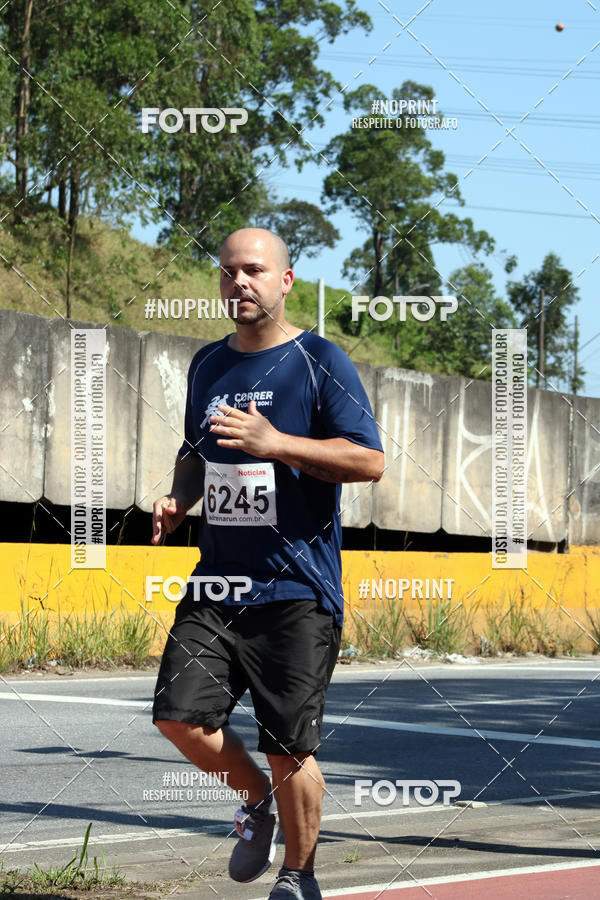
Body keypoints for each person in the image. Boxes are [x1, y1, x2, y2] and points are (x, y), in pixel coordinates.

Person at [151, 227, 384, 900]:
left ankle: (299, 877)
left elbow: (368, 460)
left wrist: (276, 441)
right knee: (179, 717)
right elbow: (195, 453)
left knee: (290, 746)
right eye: (228, 273)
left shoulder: (320, 360)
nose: (239, 283)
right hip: (217, 582)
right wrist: (179, 497)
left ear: (284, 281)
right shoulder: (206, 365)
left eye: (254, 271)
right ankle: (255, 801)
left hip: (297, 588)